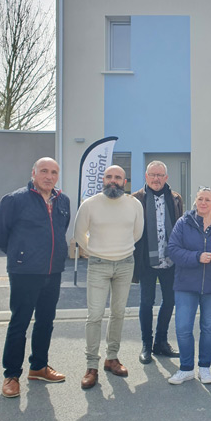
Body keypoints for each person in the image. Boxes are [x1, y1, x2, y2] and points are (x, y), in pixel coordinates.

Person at [0, 157, 70, 398]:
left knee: (46, 321)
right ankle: (11, 375)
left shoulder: (62, 200)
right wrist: (18, 255)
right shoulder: (15, 200)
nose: (49, 176)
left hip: (53, 272)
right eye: (44, 171)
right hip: (24, 272)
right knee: (19, 323)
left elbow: (61, 230)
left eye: (54, 172)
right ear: (33, 173)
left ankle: (39, 366)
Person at [74, 165, 144, 389]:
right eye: (109, 177)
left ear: (125, 181)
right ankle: (91, 366)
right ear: (103, 179)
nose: (113, 181)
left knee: (118, 313)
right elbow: (79, 234)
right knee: (94, 315)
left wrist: (119, 250)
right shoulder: (90, 204)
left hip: (125, 264)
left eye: (118, 178)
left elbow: (137, 233)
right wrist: (96, 251)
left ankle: (111, 358)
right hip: (98, 265)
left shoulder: (134, 204)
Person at [167, 187, 211, 385]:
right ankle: (186, 368)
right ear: (195, 201)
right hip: (186, 285)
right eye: (199, 199)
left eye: (207, 200)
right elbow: (173, 250)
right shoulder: (184, 222)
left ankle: (204, 367)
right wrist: (196, 257)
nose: (203, 203)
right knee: (183, 327)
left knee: (209, 327)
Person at [132, 161, 183, 364]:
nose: (156, 179)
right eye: (152, 175)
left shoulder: (175, 198)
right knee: (146, 302)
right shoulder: (136, 199)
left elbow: (179, 226)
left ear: (166, 178)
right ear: (146, 177)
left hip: (170, 259)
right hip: (147, 260)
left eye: (160, 175)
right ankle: (146, 344)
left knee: (170, 301)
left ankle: (161, 342)